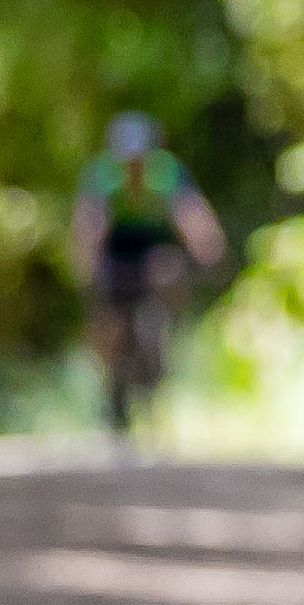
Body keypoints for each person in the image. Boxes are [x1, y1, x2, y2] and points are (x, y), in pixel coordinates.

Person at [71, 114, 227, 433]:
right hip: (115, 250)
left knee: (168, 270)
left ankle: (161, 343)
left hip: (153, 249)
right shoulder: (102, 174)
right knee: (110, 317)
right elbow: (88, 224)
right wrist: (85, 265)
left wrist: (210, 250)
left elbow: (191, 215)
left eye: (140, 158)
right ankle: (113, 390)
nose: (134, 166)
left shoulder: (167, 172)